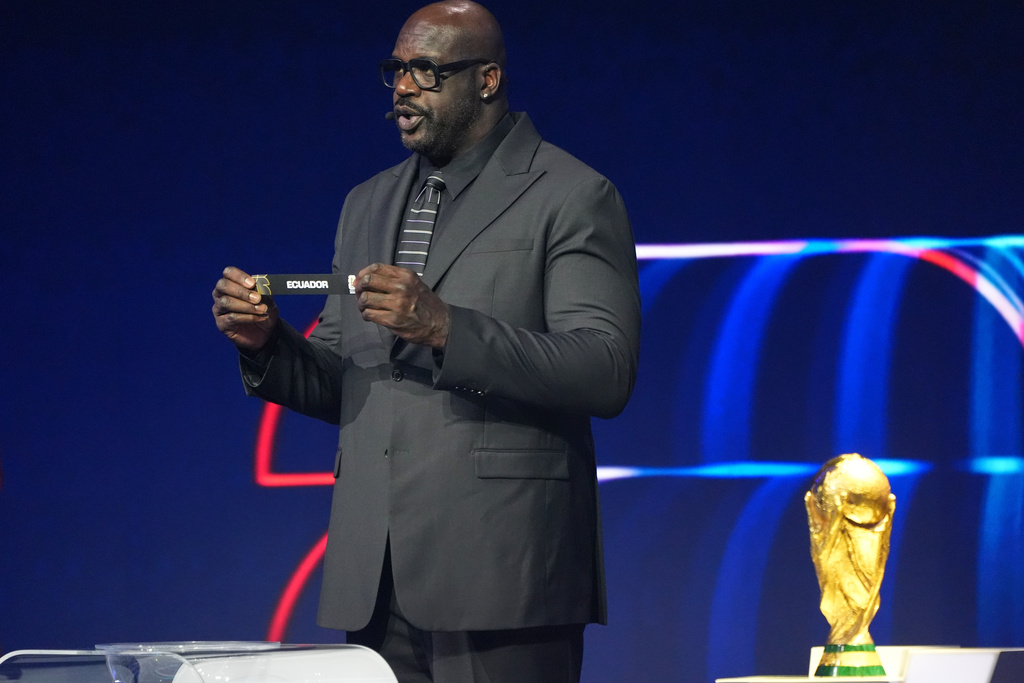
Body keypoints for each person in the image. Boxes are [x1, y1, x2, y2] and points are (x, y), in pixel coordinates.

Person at [211, 2, 640, 680]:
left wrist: (446, 328)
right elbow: (348, 383)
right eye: (396, 71)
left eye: (426, 71)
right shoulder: (367, 203)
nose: (403, 88)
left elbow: (605, 368)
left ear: (488, 80)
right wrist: (267, 343)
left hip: (503, 577)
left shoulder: (571, 194)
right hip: (377, 578)